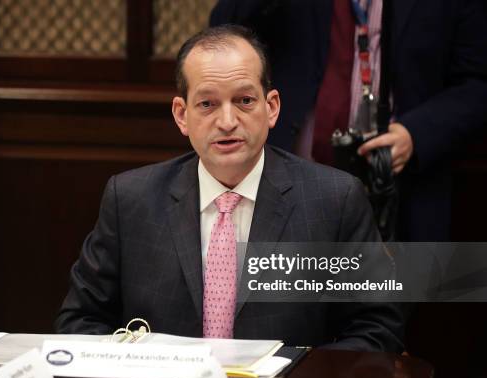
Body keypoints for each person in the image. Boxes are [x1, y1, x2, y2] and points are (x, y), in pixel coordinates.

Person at [55, 25, 404, 352]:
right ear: (181, 115)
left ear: (271, 108)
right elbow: (79, 321)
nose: (227, 121)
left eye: (244, 101)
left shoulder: (334, 201)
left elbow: (376, 330)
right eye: (207, 104)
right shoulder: (131, 199)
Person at [210, 0, 487, 241]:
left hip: (398, 193)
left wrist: (414, 134)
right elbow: (222, 32)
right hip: (289, 186)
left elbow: (477, 85)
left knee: (381, 297)